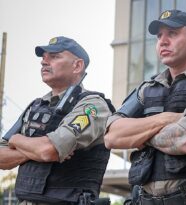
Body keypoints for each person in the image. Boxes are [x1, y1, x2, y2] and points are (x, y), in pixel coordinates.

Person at [104, 9, 186, 205]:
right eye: (159, 36)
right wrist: (165, 119)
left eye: (172, 34)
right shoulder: (147, 89)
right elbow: (111, 137)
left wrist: (137, 135)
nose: (163, 41)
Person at [0, 36, 115, 204]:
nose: (43, 62)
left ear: (77, 66)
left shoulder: (93, 105)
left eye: (54, 57)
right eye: (44, 57)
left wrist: (17, 140)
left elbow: (50, 150)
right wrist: (35, 150)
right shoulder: (35, 106)